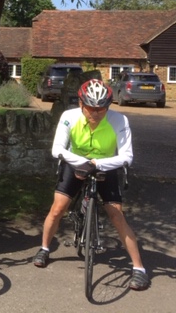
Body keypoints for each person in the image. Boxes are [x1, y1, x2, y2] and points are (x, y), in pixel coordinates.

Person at [33, 79, 150, 291]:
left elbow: (127, 156)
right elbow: (57, 149)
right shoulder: (69, 117)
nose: (95, 113)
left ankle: (139, 268)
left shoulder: (119, 120)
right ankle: (44, 248)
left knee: (117, 215)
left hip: (106, 165)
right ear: (81, 104)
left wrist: (98, 164)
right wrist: (83, 162)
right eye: (90, 108)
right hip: (75, 163)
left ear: (108, 106)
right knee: (58, 208)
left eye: (101, 109)